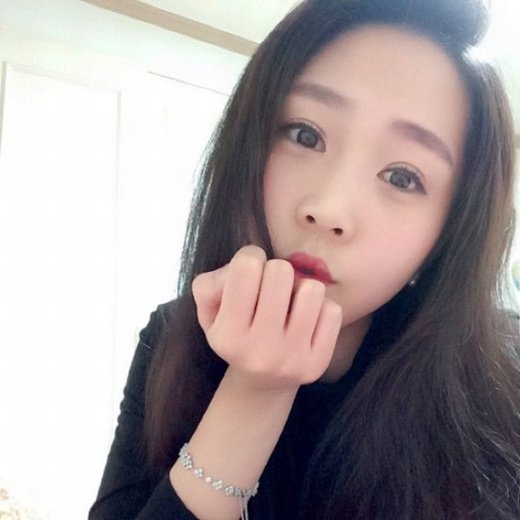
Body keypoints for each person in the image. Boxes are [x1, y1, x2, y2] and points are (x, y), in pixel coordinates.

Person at [89, 0, 520, 518]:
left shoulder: (503, 387)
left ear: (448, 235)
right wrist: (255, 392)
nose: (328, 209)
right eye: (305, 135)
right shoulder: (171, 337)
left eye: (403, 177)